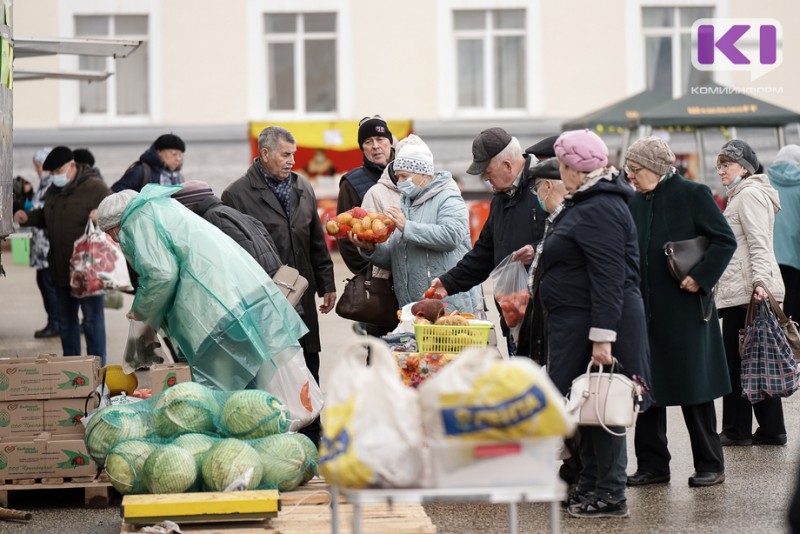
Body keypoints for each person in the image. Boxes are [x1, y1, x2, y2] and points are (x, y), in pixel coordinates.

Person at [95, 187, 308, 392]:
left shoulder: (138, 222)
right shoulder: (162, 208)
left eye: (111, 234)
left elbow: (161, 275)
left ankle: (245, 422)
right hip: (238, 294)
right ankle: (268, 417)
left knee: (223, 381)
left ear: (116, 226)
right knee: (252, 372)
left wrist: (141, 309)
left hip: (214, 307)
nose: (114, 240)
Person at [540, 130, 651, 518]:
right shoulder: (587, 200)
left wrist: (603, 338)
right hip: (579, 324)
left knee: (604, 409)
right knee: (583, 408)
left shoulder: (599, 206)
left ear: (574, 168)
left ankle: (611, 494)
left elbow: (610, 277)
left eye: (562, 166)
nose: (560, 172)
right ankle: (589, 483)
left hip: (601, 326)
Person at [625, 136, 736, 488]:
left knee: (695, 388)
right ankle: (653, 465)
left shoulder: (693, 194)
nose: (631, 176)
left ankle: (710, 463)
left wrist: (700, 278)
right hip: (645, 312)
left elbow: (724, 239)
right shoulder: (635, 201)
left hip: (686, 310)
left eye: (636, 169)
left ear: (656, 168)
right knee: (646, 390)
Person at [222, 126, 336, 443]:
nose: (291, 161)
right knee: (274, 369)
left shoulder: (302, 186)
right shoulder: (237, 194)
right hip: (264, 298)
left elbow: (316, 240)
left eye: (293, 154)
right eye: (285, 154)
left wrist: (327, 281)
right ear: (265, 154)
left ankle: (313, 431)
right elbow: (232, 255)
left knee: (308, 360)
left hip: (303, 293)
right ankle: (276, 434)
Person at [427, 128, 548, 353]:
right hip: (514, 318)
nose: (485, 178)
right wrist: (448, 283)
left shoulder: (546, 185)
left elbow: (568, 237)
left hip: (547, 318)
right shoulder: (500, 199)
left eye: (487, 171)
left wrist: (537, 250)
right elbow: (484, 253)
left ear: (508, 166)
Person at [348, 134, 482, 312]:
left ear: (423, 174)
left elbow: (452, 236)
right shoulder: (405, 202)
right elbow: (396, 258)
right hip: (414, 309)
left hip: (449, 307)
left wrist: (406, 227)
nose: (400, 183)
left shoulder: (447, 196)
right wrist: (371, 249)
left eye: (404, 176)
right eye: (397, 177)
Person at [715, 139, 787, 447]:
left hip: (747, 293)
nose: (720, 170)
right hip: (744, 289)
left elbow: (760, 244)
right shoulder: (741, 195)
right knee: (754, 359)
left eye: (726, 164)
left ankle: (736, 430)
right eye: (719, 164)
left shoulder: (749, 196)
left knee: (737, 362)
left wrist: (760, 283)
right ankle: (770, 430)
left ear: (744, 168)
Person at [13, 146, 111, 363]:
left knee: (92, 321)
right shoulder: (53, 191)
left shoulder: (94, 187)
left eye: (59, 171)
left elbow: (117, 211)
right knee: (67, 322)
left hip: (88, 270)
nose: (56, 176)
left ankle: (98, 370)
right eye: (53, 173)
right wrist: (27, 218)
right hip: (60, 268)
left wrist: (100, 216)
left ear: (72, 166)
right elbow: (47, 216)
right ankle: (73, 370)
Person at [172, 180, 283, 279]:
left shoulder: (212, 218)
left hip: (258, 286)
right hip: (271, 277)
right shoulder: (227, 211)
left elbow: (239, 260)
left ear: (189, 207)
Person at [337, 115, 395, 275]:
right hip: (375, 274)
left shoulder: (407, 173)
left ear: (390, 142)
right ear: (362, 148)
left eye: (380, 139)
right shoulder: (351, 182)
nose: (375, 146)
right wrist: (367, 272)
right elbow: (343, 236)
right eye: (368, 141)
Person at [767, 145, 800, 322]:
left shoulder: (765, 183)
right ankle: (793, 344)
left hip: (769, 255)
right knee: (794, 304)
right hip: (795, 256)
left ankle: (773, 343)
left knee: (770, 303)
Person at [111, 133, 185, 192]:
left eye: (180, 155)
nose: (178, 158)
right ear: (158, 152)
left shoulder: (178, 176)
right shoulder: (141, 171)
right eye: (174, 154)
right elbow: (114, 195)